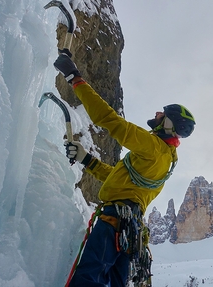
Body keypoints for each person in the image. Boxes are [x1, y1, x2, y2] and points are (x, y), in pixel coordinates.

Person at [53, 50, 196, 287]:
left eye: (164, 114)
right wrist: (87, 160)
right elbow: (119, 179)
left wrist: (75, 79)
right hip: (130, 232)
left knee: (89, 278)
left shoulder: (153, 146)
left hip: (114, 223)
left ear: (170, 124)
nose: (157, 114)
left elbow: (110, 120)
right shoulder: (165, 160)